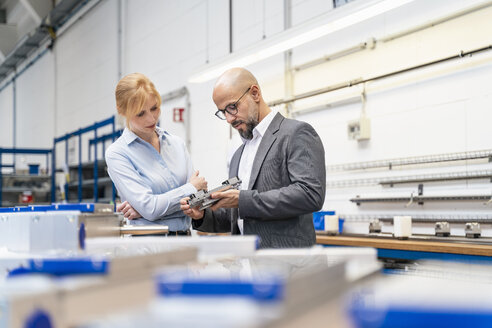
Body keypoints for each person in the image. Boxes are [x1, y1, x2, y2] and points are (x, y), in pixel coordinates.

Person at [180, 68, 325, 248]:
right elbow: (234, 218)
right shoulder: (238, 154)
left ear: (255, 93)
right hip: (246, 264)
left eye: (232, 107)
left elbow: (310, 194)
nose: (229, 119)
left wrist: (242, 199)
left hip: (287, 265)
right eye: (223, 112)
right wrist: (202, 215)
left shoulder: (295, 133)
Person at [106, 72, 207, 235]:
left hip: (184, 239)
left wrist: (146, 211)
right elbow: (152, 208)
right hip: (149, 245)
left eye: (154, 108)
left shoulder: (177, 144)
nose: (151, 118)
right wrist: (190, 188)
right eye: (140, 113)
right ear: (122, 111)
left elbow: (198, 203)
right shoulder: (118, 153)